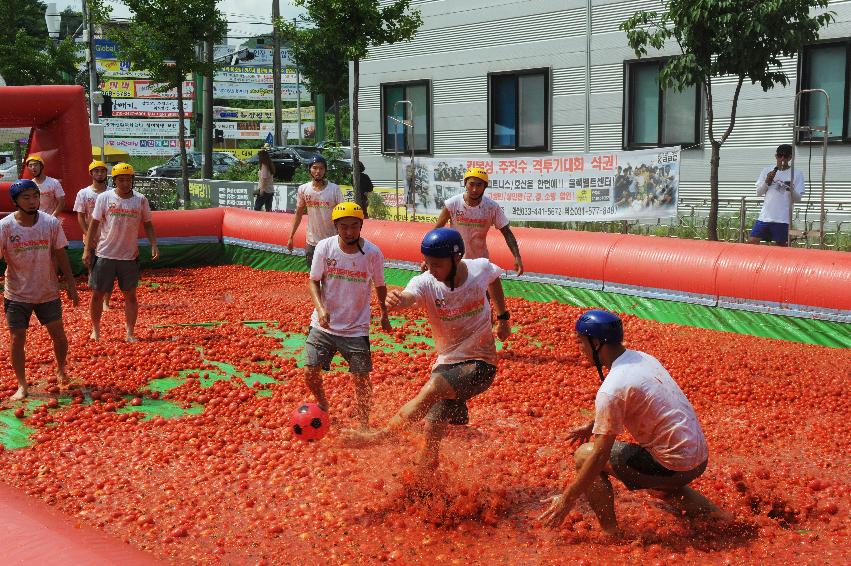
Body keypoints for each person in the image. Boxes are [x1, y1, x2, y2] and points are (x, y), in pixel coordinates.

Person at [341, 228, 512, 482]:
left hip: (481, 363)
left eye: (437, 265)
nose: (431, 269)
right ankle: (425, 483)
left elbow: (494, 278)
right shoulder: (426, 282)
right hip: (447, 362)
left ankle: (381, 436)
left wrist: (503, 317)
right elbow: (410, 296)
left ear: (456, 259)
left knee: (433, 388)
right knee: (432, 427)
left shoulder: (479, 269)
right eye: (427, 264)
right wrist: (397, 301)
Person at [539, 310, 726, 536]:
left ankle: (611, 532)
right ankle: (722, 519)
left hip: (674, 466)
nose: (580, 350)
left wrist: (566, 500)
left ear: (596, 343)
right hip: (698, 457)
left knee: (584, 455)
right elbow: (641, 400)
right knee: (659, 483)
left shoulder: (613, 388)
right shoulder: (643, 358)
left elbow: (598, 456)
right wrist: (593, 424)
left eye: (581, 343)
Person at [304, 202, 391, 429]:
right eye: (344, 227)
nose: (350, 232)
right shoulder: (324, 247)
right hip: (323, 325)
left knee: (361, 378)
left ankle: (363, 424)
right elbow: (314, 281)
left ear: (361, 225)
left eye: (354, 226)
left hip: (356, 328)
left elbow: (380, 286)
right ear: (336, 226)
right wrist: (321, 309)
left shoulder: (372, 253)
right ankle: (323, 403)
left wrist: (384, 313)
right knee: (310, 371)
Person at [0, 180, 79, 400]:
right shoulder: (5, 227)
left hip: (47, 291)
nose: (33, 201)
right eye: (26, 197)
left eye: (35, 196)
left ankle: (61, 369)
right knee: (17, 339)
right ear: (15, 201)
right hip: (17, 293)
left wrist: (71, 284)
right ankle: (22, 384)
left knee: (59, 335)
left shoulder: (50, 223)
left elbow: (61, 254)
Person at [83, 163, 159, 342]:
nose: (125, 183)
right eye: (121, 180)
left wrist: (154, 244)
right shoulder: (104, 198)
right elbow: (94, 223)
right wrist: (87, 249)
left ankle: (130, 332)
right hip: (104, 254)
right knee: (97, 294)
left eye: (128, 179)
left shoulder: (140, 200)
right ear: (114, 180)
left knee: (130, 295)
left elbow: (148, 223)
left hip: (129, 256)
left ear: (132, 180)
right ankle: (95, 330)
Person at [435, 167, 523, 275]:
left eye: (479, 185)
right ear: (465, 184)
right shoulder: (452, 204)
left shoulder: (491, 207)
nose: (474, 190)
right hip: (455, 260)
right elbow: (436, 231)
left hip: (480, 263)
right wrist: (429, 258)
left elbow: (507, 232)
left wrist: (517, 257)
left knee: (484, 292)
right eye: (471, 184)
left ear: (485, 186)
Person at [287, 155, 344, 269]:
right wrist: (291, 236)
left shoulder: (334, 189)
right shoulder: (303, 189)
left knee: (332, 275)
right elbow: (298, 214)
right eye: (315, 168)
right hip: (312, 241)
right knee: (314, 275)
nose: (318, 171)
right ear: (310, 170)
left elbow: (342, 215)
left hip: (331, 240)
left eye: (321, 168)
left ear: (325, 170)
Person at [749, 144, 805, 247]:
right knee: (752, 241)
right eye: (780, 155)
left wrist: (791, 190)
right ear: (776, 156)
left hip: (783, 219)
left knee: (781, 247)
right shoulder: (767, 170)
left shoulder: (796, 173)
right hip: (765, 217)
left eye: (785, 156)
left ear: (790, 157)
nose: (782, 159)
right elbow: (758, 193)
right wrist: (767, 181)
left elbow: (798, 199)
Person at [74, 161, 112, 311]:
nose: (100, 174)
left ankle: (106, 302)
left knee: (109, 270)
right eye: (96, 171)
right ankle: (96, 298)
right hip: (91, 239)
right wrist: (88, 236)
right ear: (91, 173)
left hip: (109, 239)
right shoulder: (83, 193)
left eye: (103, 171)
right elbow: (80, 216)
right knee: (93, 269)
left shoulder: (112, 193)